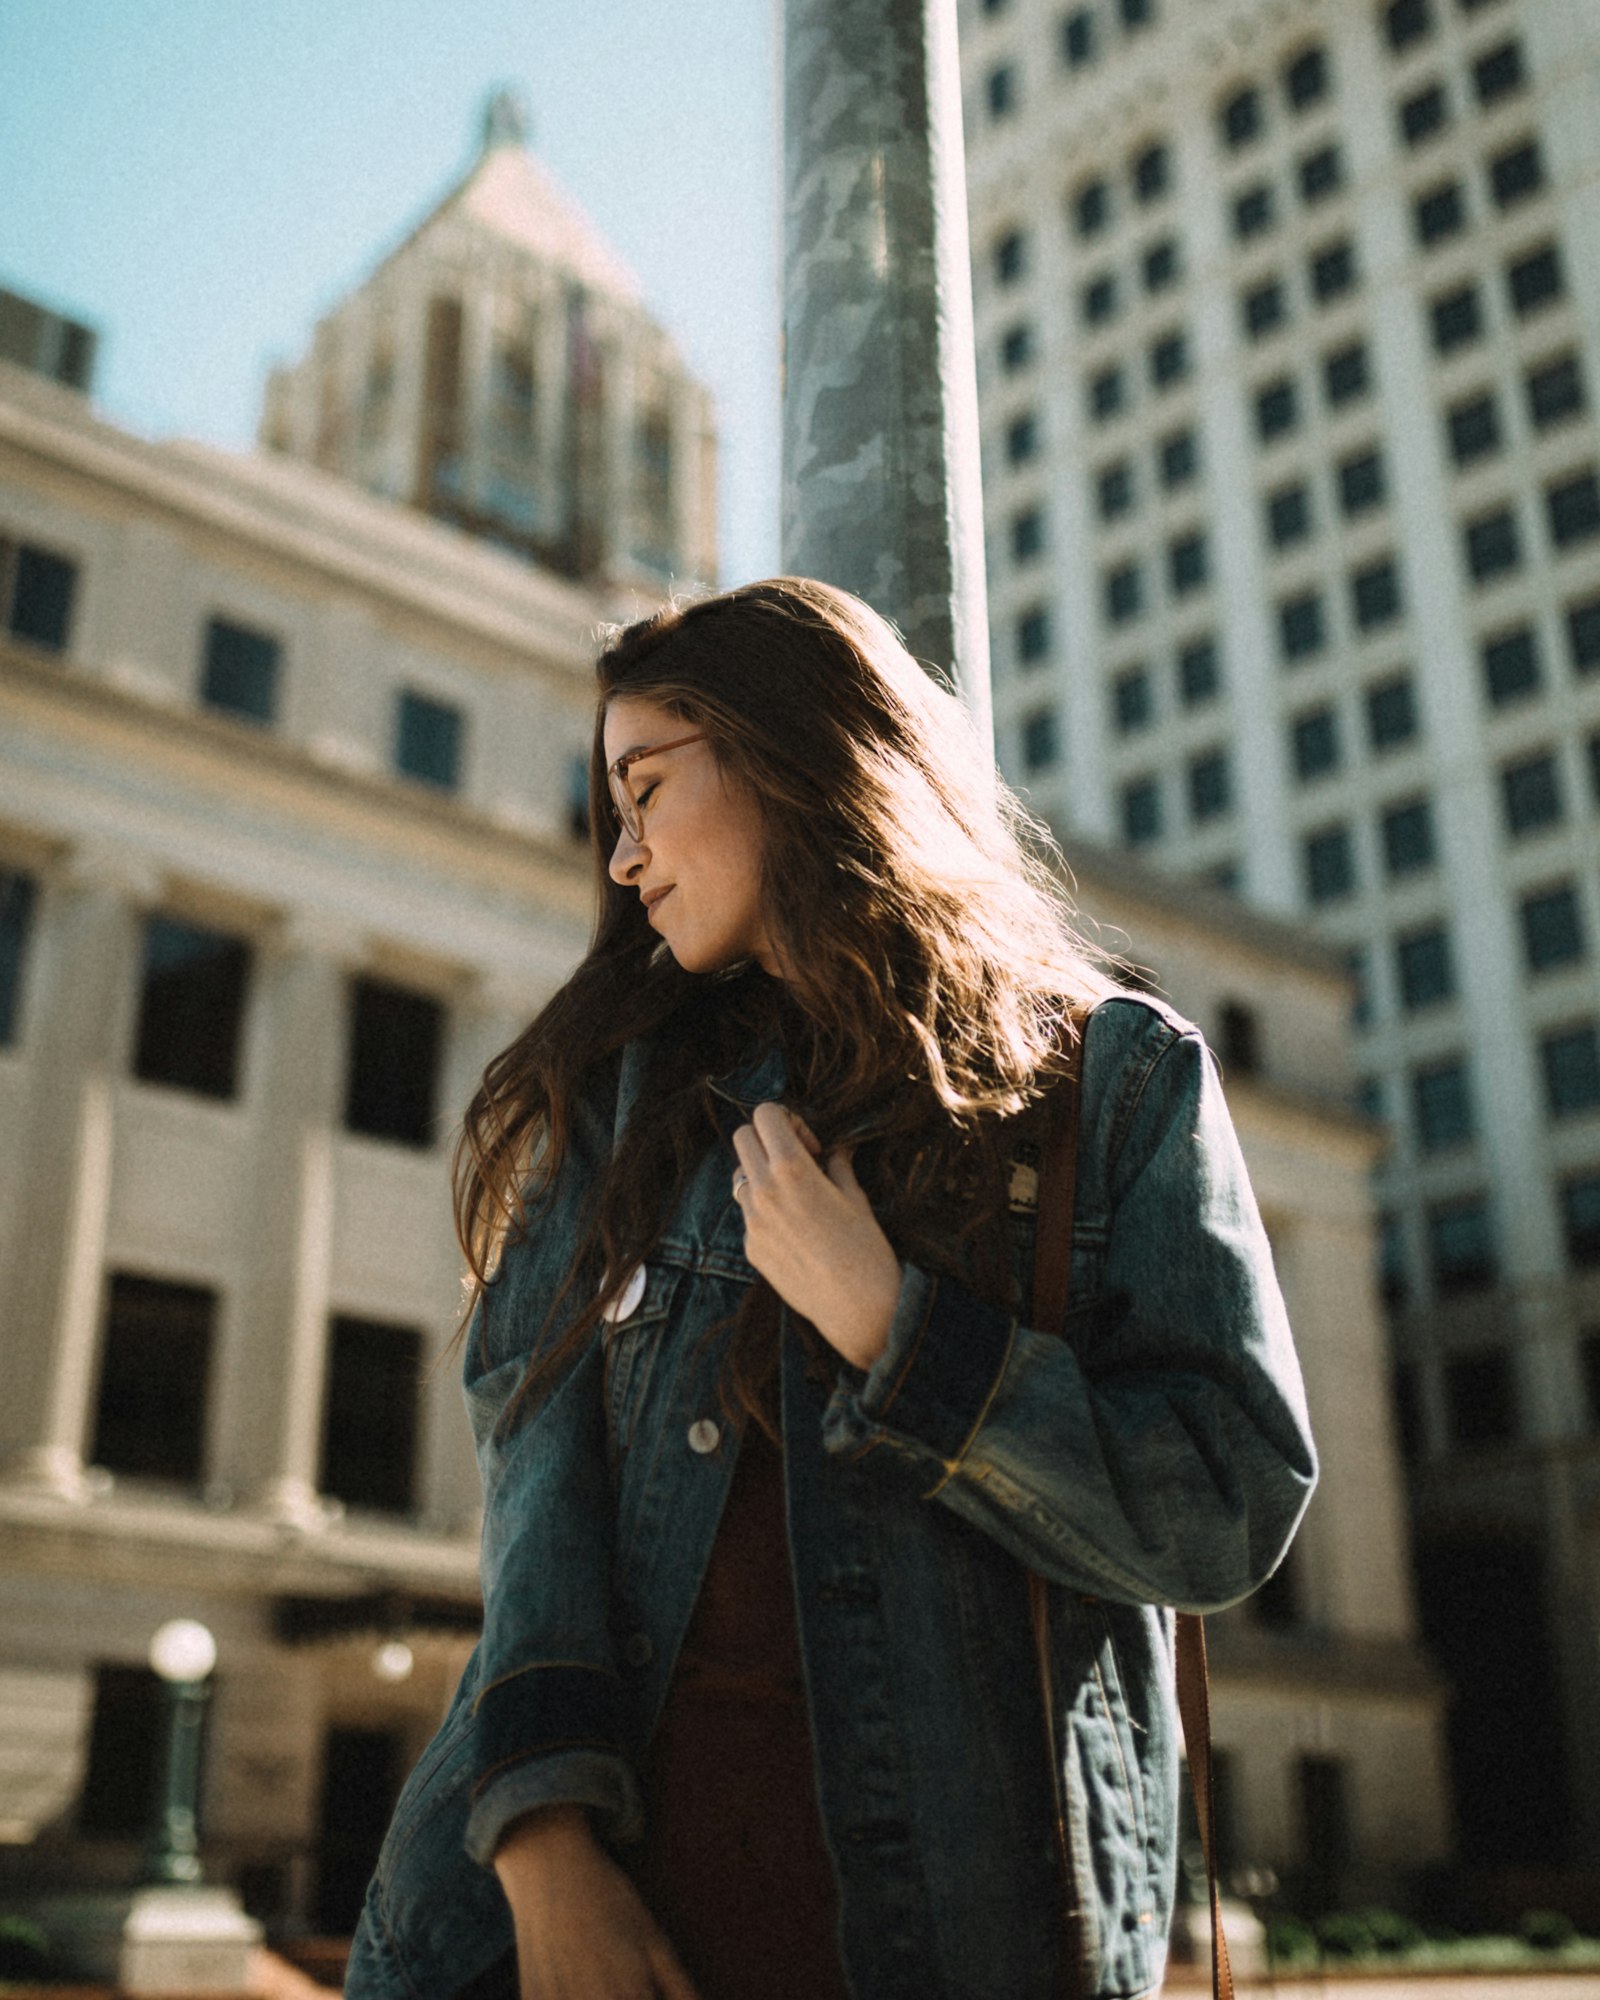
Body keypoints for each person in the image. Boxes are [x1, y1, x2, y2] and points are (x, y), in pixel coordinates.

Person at [346, 577, 1317, 2000]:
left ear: (794, 758)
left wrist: (903, 1338)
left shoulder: (1119, 1085)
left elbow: (1228, 1500)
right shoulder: (620, 1103)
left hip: (962, 1934)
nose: (621, 857)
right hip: (573, 1930)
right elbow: (535, 1480)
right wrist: (546, 1850)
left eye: (648, 789)